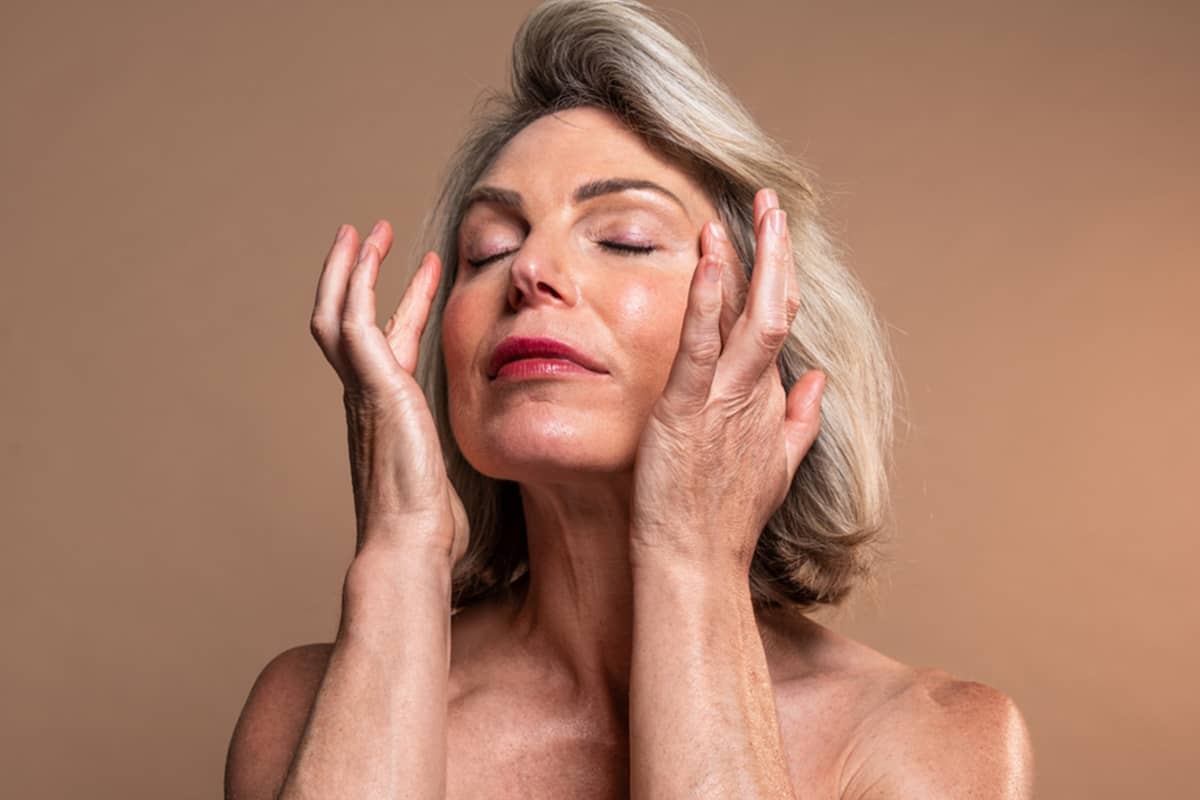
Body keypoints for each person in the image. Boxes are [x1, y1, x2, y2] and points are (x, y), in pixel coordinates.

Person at [224, 1, 1034, 797]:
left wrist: (695, 558)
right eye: (488, 248)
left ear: (766, 323)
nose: (528, 270)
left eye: (625, 239)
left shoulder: (926, 739)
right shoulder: (305, 712)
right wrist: (401, 548)